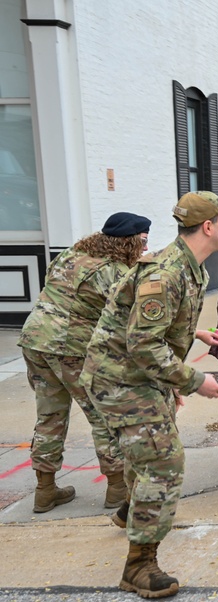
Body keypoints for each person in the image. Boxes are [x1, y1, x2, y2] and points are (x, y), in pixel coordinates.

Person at [82, 191, 218, 599]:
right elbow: (143, 345)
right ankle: (139, 565)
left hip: (139, 376)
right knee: (164, 461)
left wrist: (195, 335)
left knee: (149, 452)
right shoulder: (165, 274)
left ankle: (131, 512)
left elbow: (155, 326)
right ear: (208, 226)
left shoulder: (188, 267)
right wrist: (192, 380)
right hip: (120, 379)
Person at [18, 212, 151, 513]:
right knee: (103, 414)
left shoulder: (71, 254)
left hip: (35, 340)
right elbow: (128, 318)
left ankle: (45, 490)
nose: (145, 247)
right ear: (128, 241)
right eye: (142, 241)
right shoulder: (116, 271)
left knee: (50, 415)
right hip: (72, 347)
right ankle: (117, 488)